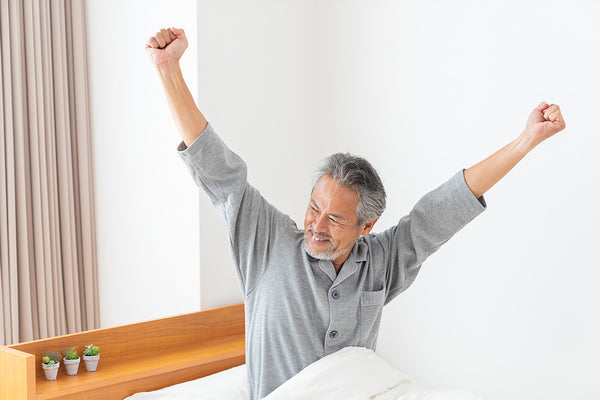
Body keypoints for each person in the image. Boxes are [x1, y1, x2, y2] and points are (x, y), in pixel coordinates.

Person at [145, 27, 566, 400]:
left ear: (367, 226)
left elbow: (442, 209)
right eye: (314, 207)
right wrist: (169, 72)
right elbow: (222, 173)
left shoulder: (381, 262)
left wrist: (525, 141)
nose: (317, 225)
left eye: (335, 219)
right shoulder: (267, 242)